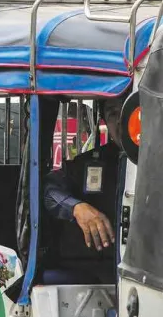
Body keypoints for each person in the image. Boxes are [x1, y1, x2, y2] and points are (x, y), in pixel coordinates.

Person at [42, 99, 124, 254]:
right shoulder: (91, 162)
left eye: (128, 110)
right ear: (105, 122)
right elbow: (49, 190)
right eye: (113, 113)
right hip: (98, 262)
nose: (120, 120)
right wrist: (76, 207)